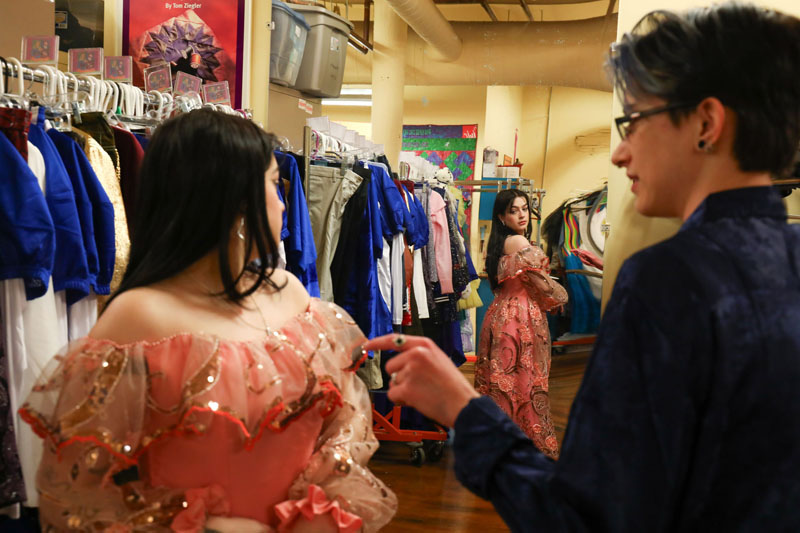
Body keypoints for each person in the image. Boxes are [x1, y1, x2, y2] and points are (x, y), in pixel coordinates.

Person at [364, 3, 800, 531]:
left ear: (706, 122)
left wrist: (462, 409)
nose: (618, 155)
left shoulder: (670, 280)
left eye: (634, 121)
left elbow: (586, 516)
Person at [20, 109, 397, 532]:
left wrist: (320, 506)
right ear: (235, 199)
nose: (282, 201)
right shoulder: (140, 316)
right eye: (274, 184)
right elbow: (82, 490)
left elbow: (344, 424)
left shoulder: (291, 294)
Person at [475, 189, 567, 459]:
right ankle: (527, 442)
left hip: (501, 313)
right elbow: (544, 286)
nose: (522, 214)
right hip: (520, 316)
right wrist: (561, 294)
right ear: (502, 217)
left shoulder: (499, 243)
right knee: (523, 380)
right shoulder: (518, 242)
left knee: (503, 380)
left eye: (525, 208)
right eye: (514, 210)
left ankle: (500, 441)